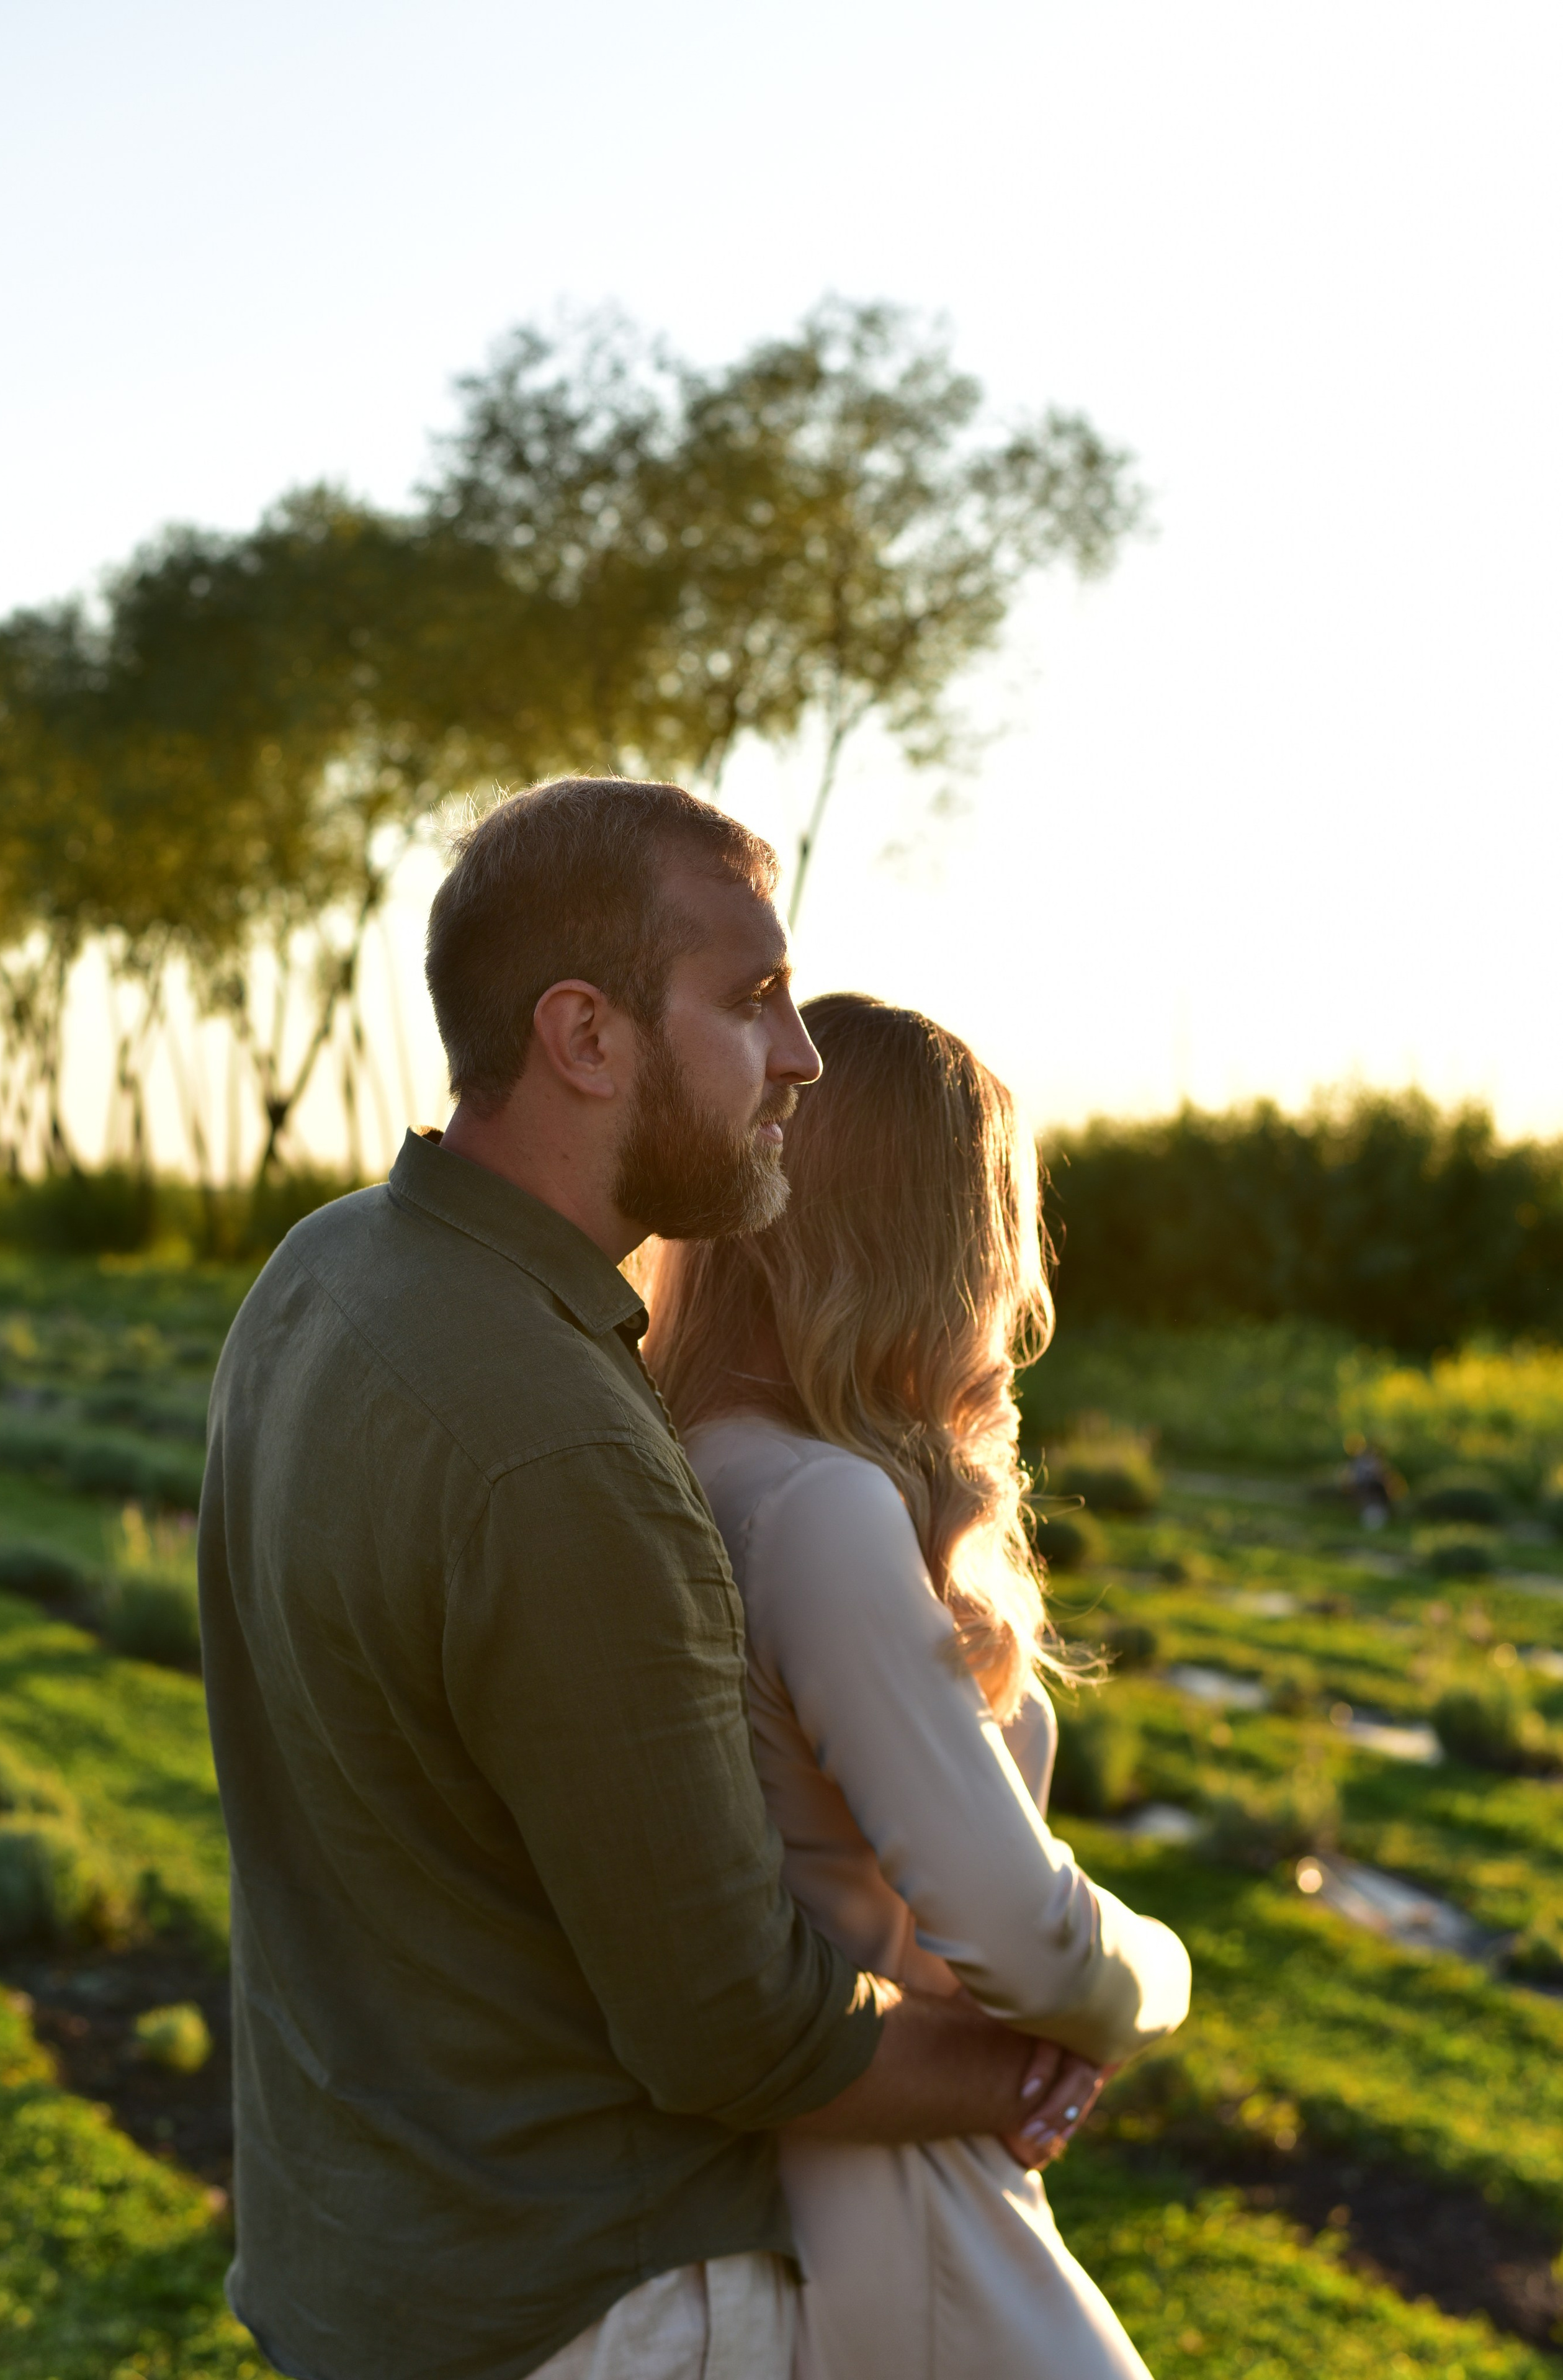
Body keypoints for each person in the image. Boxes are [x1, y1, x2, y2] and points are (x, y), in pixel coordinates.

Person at [199, 779, 1098, 2380]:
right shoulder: (566, 1454)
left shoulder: (320, 1272)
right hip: (594, 2306)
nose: (801, 1055)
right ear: (586, 1038)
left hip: (369, 2270)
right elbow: (734, 2028)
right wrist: (1033, 2055)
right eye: (751, 1000)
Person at [643, 992, 1193, 2380]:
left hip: (782, 2201)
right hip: (906, 2225)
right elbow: (1023, 1936)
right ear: (931, 1241)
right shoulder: (816, 1504)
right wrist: (1148, 1986)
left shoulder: (678, 1466)